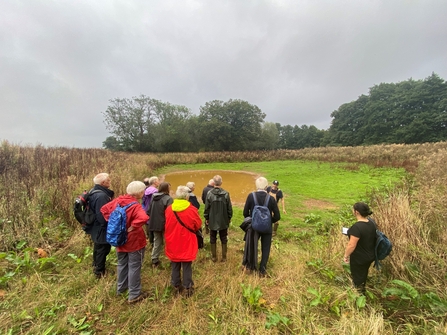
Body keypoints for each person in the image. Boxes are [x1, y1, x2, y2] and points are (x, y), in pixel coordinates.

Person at [101, 181, 149, 304]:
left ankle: (121, 289)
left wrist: (114, 225)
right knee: (134, 266)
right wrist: (133, 226)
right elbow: (144, 218)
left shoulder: (117, 201)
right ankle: (134, 294)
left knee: (122, 264)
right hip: (134, 241)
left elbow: (104, 210)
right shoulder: (135, 205)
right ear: (138, 193)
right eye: (143, 191)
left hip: (119, 239)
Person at [164, 185, 202, 297]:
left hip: (172, 239)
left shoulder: (169, 209)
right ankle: (187, 287)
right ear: (187, 197)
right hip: (187, 240)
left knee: (175, 263)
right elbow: (198, 224)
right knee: (186, 264)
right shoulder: (191, 209)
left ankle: (176, 285)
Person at [243, 177, 280, 276]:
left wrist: (252, 220)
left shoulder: (251, 196)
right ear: (266, 187)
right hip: (267, 228)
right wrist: (269, 221)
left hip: (254, 227)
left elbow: (245, 213)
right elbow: (277, 216)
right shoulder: (271, 199)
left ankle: (250, 267)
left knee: (252, 246)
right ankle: (262, 270)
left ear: (256, 186)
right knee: (266, 248)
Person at [85, 173, 114, 279]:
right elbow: (102, 214)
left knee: (98, 246)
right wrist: (108, 225)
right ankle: (99, 272)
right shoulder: (101, 196)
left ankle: (96, 265)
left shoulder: (93, 191)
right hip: (101, 227)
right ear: (103, 183)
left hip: (95, 226)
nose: (110, 181)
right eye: (108, 180)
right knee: (103, 248)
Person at [343, 202, 376, 295]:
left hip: (359, 258)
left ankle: (359, 297)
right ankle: (361, 290)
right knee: (363, 275)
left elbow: (351, 245)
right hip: (370, 255)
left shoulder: (356, 227)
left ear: (356, 212)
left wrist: (346, 255)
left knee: (357, 279)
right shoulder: (371, 223)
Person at [204, 175, 233, 262]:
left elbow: (206, 208)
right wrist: (229, 217)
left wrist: (206, 217)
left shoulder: (209, 194)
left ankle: (214, 257)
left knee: (212, 237)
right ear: (221, 183)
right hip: (223, 219)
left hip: (212, 219)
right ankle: (224, 258)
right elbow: (229, 208)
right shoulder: (226, 194)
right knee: (223, 237)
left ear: (213, 183)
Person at [148, 182, 173, 268]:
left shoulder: (153, 197)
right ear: (166, 189)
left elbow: (149, 210)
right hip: (165, 223)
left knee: (157, 241)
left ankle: (154, 260)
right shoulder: (168, 199)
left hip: (154, 223)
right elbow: (170, 214)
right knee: (169, 242)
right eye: (169, 187)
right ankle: (172, 259)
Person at [143, 176, 160, 245]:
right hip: (153, 210)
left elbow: (143, 201)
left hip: (146, 209)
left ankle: (150, 241)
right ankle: (155, 242)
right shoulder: (156, 192)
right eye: (158, 181)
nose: (159, 182)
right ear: (155, 182)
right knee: (154, 225)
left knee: (148, 224)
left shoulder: (145, 190)